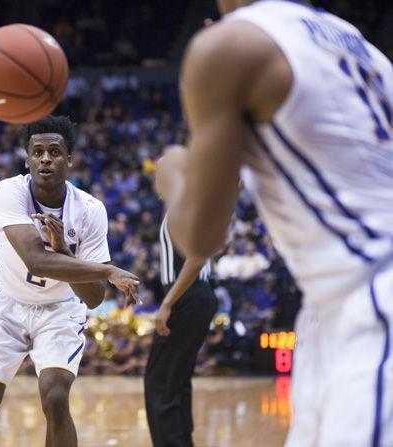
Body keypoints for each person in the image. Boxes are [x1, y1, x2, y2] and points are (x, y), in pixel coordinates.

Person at [160, 1, 393, 446]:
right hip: (334, 309)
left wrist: (172, 173)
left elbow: (203, 236)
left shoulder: (230, 46)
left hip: (375, 298)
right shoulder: (358, 46)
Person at [0, 115, 139, 447]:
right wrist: (107, 270)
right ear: (27, 159)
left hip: (59, 308)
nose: (45, 159)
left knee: (56, 398)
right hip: (6, 303)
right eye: (37, 152)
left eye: (54, 152)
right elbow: (35, 260)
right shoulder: (9, 191)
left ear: (69, 159)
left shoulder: (90, 209)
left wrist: (66, 251)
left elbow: (94, 298)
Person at [144, 145, 218, 447]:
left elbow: (197, 257)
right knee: (176, 379)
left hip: (188, 296)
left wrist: (167, 304)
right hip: (196, 297)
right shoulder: (190, 204)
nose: (156, 178)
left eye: (161, 172)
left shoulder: (183, 206)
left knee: (159, 382)